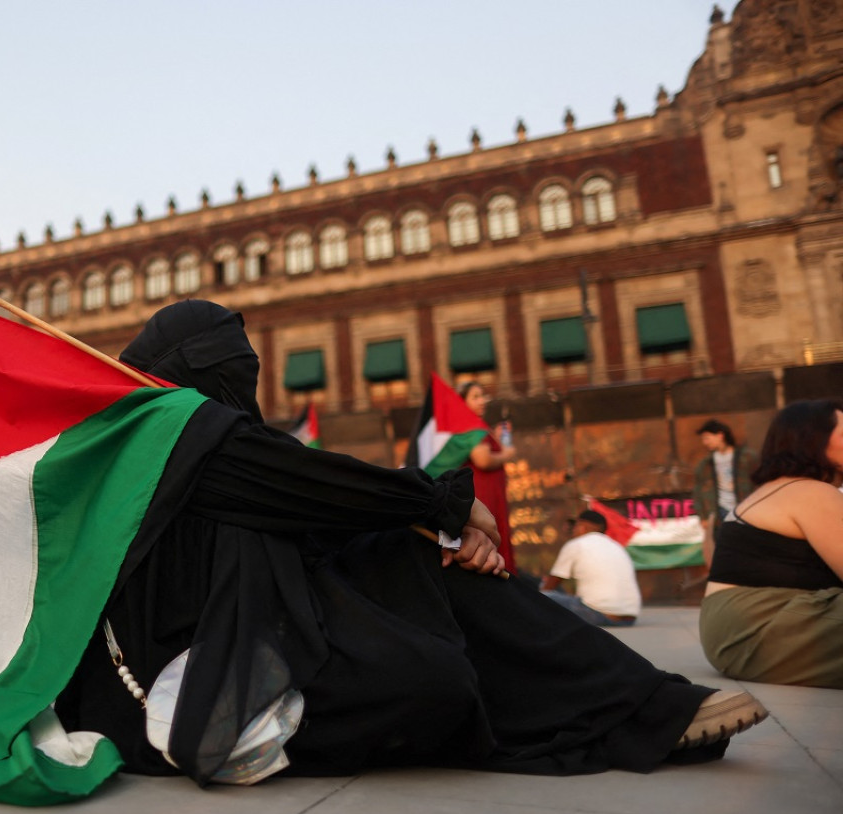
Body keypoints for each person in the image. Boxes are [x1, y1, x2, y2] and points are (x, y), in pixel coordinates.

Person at [55, 300, 765, 788]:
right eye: (227, 359)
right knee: (435, 682)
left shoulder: (230, 443)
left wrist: (439, 530)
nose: (243, 371)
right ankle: (618, 714)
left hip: (274, 625)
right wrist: (445, 502)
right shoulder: (174, 437)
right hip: (196, 667)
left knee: (431, 567)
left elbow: (322, 507)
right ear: (195, 367)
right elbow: (316, 484)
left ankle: (648, 706)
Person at [699, 399, 843, 688]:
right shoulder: (811, 492)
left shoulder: (780, 488)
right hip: (757, 630)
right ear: (813, 441)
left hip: (736, 635)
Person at [541, 509, 642, 626]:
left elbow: (551, 584)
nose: (573, 530)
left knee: (542, 597)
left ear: (583, 527)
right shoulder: (617, 546)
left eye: (575, 525)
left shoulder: (576, 544)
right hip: (629, 619)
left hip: (597, 615)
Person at [457, 381, 517, 574]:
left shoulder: (478, 427)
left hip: (491, 492)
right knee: (490, 536)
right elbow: (482, 460)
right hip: (484, 494)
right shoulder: (471, 426)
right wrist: (507, 453)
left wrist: (496, 438)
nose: (482, 401)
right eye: (475, 397)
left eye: (482, 396)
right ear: (462, 401)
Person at [693, 418, 757, 568]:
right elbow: (698, 491)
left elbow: (758, 483)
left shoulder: (747, 457)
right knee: (725, 549)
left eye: (707, 438)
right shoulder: (705, 464)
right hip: (720, 512)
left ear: (720, 435)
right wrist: (703, 515)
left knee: (749, 546)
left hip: (745, 509)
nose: (705, 442)